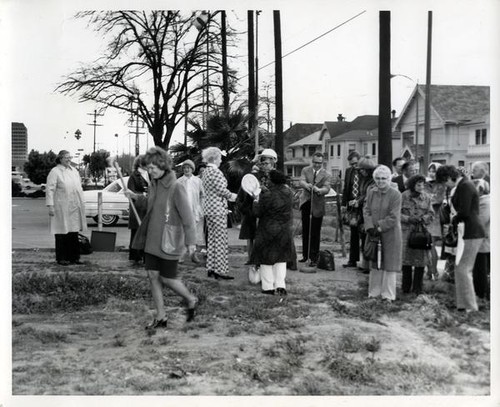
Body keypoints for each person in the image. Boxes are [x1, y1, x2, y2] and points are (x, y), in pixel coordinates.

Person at [128, 146, 198, 329]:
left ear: (163, 166)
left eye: (152, 168)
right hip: (152, 239)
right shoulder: (154, 184)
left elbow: (188, 217)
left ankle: (190, 299)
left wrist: (191, 242)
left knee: (167, 278)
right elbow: (151, 205)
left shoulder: (176, 187)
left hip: (170, 241)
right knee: (152, 276)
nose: (149, 172)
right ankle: (161, 317)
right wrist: (135, 197)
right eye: (148, 168)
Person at [436, 165, 485, 312]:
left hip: (471, 231)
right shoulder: (463, 185)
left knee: (463, 269)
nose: (445, 185)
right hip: (468, 231)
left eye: (444, 182)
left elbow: (464, 211)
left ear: (449, 178)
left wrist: (453, 219)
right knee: (460, 269)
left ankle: (471, 307)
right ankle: (462, 305)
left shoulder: (465, 186)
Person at [250, 170, 294, 296]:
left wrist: (256, 199)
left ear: (273, 181)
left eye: (269, 179)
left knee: (266, 259)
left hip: (268, 230)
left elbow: (257, 212)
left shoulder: (267, 195)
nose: (267, 181)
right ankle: (280, 286)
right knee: (281, 259)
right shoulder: (289, 193)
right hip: (284, 229)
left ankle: (268, 287)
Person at [363, 165, 402, 302]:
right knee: (375, 264)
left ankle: (388, 295)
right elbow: (366, 210)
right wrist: (369, 226)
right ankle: (373, 293)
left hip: (390, 234)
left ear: (389, 178)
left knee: (389, 265)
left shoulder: (395, 194)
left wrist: (379, 227)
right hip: (373, 233)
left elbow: (394, 216)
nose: (380, 181)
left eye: (384, 178)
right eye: (378, 178)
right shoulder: (371, 192)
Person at [201, 147, 238, 280]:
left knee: (212, 240)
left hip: (209, 209)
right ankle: (220, 270)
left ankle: (211, 268)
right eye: (220, 158)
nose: (221, 160)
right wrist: (236, 197)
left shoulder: (205, 172)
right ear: (215, 158)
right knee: (220, 240)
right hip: (217, 210)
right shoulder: (215, 172)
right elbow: (222, 190)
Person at [46, 150, 87, 266]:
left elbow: (79, 188)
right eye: (65, 157)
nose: (68, 159)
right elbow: (50, 190)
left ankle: (74, 257)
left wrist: (82, 202)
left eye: (70, 157)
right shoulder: (55, 172)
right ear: (60, 159)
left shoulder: (74, 171)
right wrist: (50, 206)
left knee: (73, 232)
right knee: (61, 232)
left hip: (74, 206)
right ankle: (62, 258)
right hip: (61, 206)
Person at [236, 149, 277, 264]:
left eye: (267, 162)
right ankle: (251, 260)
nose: (264, 165)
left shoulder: (274, 176)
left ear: (273, 162)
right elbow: (245, 178)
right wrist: (253, 162)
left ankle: (262, 260)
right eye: (262, 162)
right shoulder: (255, 174)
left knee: (263, 238)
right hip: (250, 210)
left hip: (265, 212)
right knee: (250, 236)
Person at [400, 174, 434, 295]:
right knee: (406, 261)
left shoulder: (427, 197)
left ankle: (418, 288)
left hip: (421, 233)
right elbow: (396, 213)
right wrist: (408, 219)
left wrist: (423, 219)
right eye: (418, 184)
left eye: (422, 184)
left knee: (421, 262)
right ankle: (405, 287)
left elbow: (431, 214)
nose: (421, 187)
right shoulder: (403, 196)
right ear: (412, 185)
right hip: (406, 232)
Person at [298, 152, 332, 266]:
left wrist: (318, 190)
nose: (317, 165)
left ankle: (314, 257)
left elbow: (327, 188)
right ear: (312, 161)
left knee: (315, 232)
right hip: (306, 203)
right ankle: (305, 255)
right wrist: (306, 185)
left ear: (322, 163)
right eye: (315, 162)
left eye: (319, 163)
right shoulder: (305, 170)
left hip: (317, 205)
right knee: (306, 230)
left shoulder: (327, 174)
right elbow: (301, 181)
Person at [177, 159, 205, 258]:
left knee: (194, 233)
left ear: (192, 169)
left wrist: (201, 207)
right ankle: (181, 255)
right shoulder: (179, 181)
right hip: (183, 211)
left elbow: (202, 195)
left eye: (188, 168)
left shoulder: (198, 181)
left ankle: (193, 254)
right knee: (182, 233)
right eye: (184, 168)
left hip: (195, 210)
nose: (186, 170)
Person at [354, 157, 377, 273]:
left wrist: (359, 200)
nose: (361, 172)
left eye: (363, 170)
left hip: (369, 210)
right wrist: (357, 200)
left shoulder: (373, 181)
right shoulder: (363, 180)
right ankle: (365, 263)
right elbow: (362, 193)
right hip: (362, 210)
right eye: (360, 170)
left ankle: (368, 265)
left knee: (368, 238)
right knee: (363, 237)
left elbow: (368, 195)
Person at [424, 162, 446, 280]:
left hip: (435, 219)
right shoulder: (425, 183)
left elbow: (438, 200)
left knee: (431, 245)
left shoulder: (442, 185)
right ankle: (428, 270)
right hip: (424, 218)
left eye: (434, 171)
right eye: (430, 171)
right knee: (425, 245)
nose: (432, 173)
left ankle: (434, 271)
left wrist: (427, 200)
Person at [127, 155, 149, 264]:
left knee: (147, 231)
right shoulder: (133, 176)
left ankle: (146, 256)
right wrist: (142, 195)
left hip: (148, 206)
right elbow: (130, 192)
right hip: (138, 207)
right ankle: (136, 256)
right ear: (139, 164)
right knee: (137, 231)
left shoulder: (150, 174)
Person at [341, 151, 361, 268]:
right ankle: (352, 260)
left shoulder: (365, 172)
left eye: (355, 163)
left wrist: (360, 201)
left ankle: (365, 262)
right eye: (351, 164)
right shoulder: (349, 172)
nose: (354, 166)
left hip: (362, 206)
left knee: (363, 233)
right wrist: (344, 204)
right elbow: (346, 188)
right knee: (353, 234)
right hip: (351, 206)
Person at [471, 178, 490, 303]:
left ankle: (481, 294)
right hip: (481, 240)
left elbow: (481, 221)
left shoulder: (485, 202)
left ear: (481, 190)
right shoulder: (483, 201)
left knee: (481, 269)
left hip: (482, 241)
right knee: (480, 269)